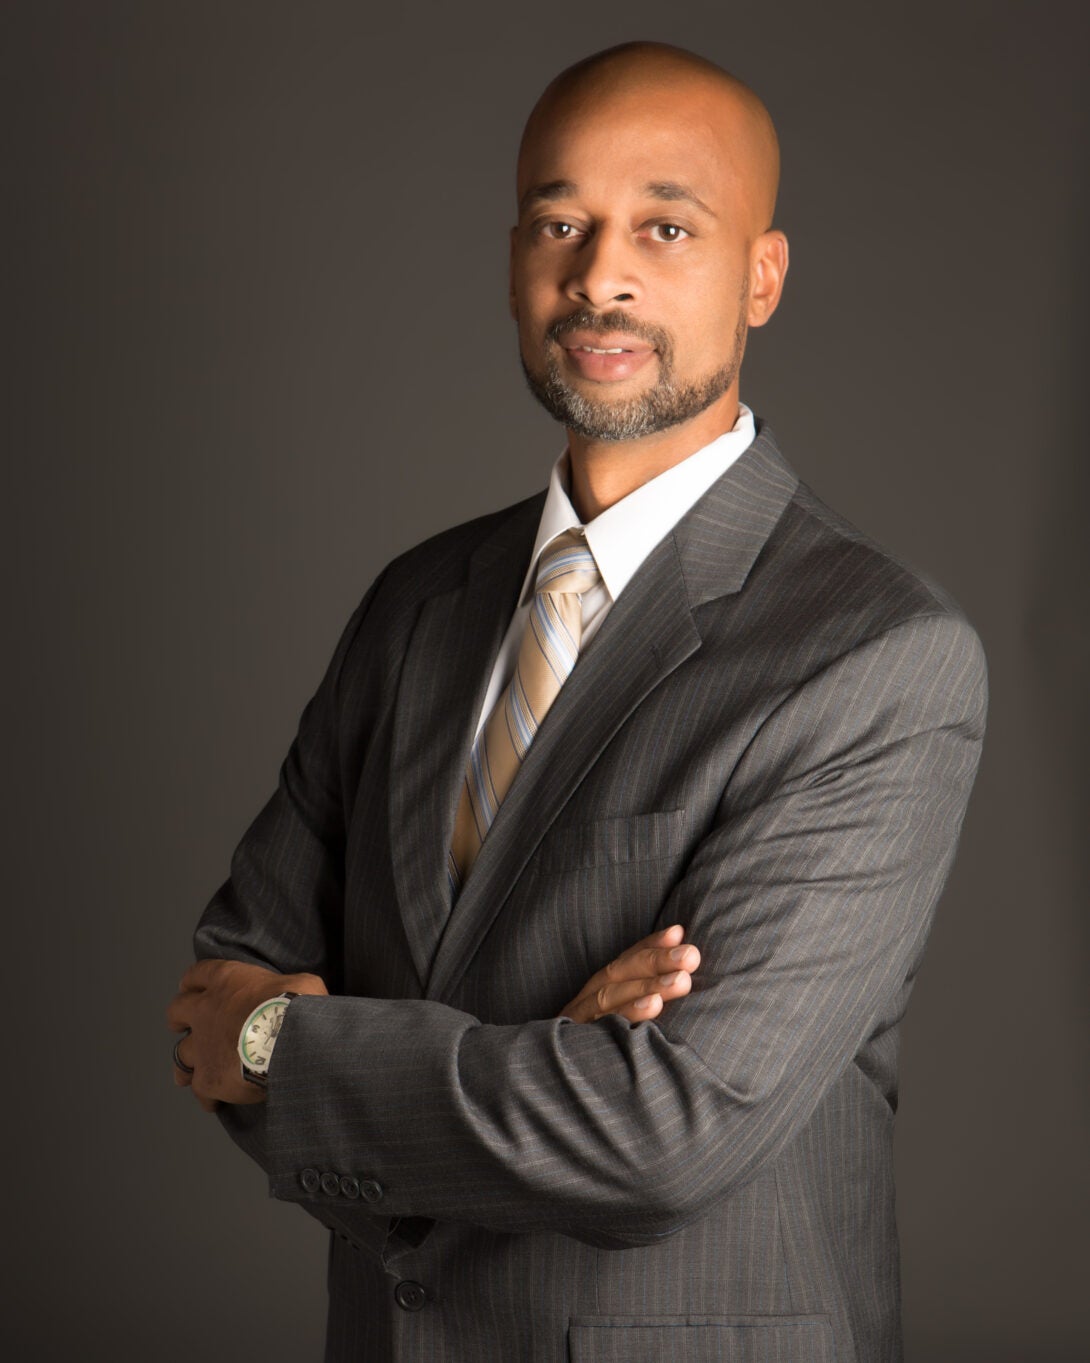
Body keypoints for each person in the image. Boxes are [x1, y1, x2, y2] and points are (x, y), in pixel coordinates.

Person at [168, 40, 986, 1362]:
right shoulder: (415, 602)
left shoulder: (876, 653)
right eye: (561, 221)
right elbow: (221, 992)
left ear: (760, 276)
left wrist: (296, 1049)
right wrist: (540, 1055)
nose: (598, 274)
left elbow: (663, 1138)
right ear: (510, 258)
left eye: (665, 227)